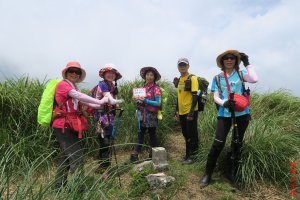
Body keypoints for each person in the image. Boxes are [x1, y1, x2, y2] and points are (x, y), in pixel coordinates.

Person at [199, 50, 258, 188]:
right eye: (226, 58)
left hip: (242, 113)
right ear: (222, 61)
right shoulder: (218, 78)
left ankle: (231, 173)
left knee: (237, 144)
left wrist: (247, 63)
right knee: (218, 143)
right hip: (224, 113)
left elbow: (254, 79)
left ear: (236, 60)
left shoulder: (241, 74)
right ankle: (207, 174)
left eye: (232, 58)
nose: (229, 60)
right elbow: (216, 97)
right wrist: (224, 103)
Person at [52, 61, 113, 191]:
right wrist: (99, 100)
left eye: (77, 72)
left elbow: (85, 101)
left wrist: (101, 104)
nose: (74, 74)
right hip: (63, 126)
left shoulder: (74, 86)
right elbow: (78, 96)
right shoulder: (63, 85)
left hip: (71, 125)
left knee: (66, 157)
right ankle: (80, 189)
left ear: (79, 75)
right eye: (71, 71)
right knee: (77, 157)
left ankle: (58, 186)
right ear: (66, 73)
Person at [89, 64, 124, 176]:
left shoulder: (112, 86)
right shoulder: (103, 85)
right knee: (105, 141)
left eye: (113, 73)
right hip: (101, 117)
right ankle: (104, 168)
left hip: (109, 117)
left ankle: (102, 166)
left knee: (107, 140)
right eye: (108, 73)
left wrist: (115, 106)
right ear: (104, 74)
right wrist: (119, 102)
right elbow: (111, 100)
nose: (111, 75)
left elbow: (112, 102)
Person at [127, 66, 162, 163]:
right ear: (145, 76)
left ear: (154, 77)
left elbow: (158, 103)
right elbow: (139, 102)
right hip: (141, 114)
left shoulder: (156, 88)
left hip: (151, 115)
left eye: (151, 75)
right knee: (140, 134)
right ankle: (134, 156)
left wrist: (145, 100)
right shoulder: (142, 88)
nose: (149, 77)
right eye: (148, 75)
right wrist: (136, 100)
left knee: (152, 135)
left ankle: (154, 156)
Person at [174, 58, 199, 165]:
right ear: (178, 67)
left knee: (192, 134)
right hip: (182, 112)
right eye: (180, 65)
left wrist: (191, 112)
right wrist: (176, 110)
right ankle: (188, 155)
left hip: (190, 111)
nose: (182, 67)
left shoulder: (192, 78)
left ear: (188, 66)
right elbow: (179, 96)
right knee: (185, 134)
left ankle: (194, 156)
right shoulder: (179, 79)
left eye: (184, 65)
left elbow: (195, 96)